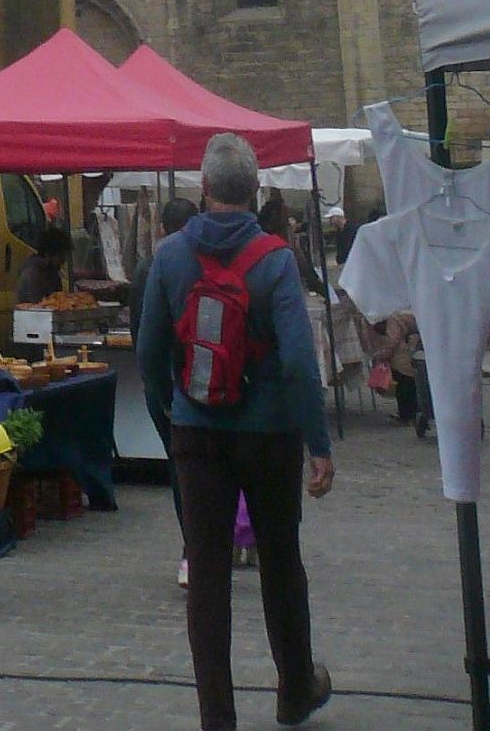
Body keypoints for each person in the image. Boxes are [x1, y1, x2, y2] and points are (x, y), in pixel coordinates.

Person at [139, 134, 334, 731]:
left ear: (203, 189)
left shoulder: (169, 256)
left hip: (197, 431)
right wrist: (318, 445)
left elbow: (150, 352)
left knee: (207, 571)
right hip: (270, 433)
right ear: (255, 191)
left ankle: (216, 715)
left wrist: (172, 416)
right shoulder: (276, 259)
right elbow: (301, 363)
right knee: (280, 561)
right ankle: (295, 689)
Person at [135, 196, 197, 587]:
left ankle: (193, 550)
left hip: (170, 387)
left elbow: (143, 338)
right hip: (207, 380)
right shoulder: (209, 260)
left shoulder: (149, 267)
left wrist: (160, 395)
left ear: (161, 228)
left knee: (183, 472)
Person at [15, 224, 69, 304]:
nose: (63, 260)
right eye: (60, 256)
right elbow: (40, 305)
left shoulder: (52, 271)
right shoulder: (33, 274)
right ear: (48, 255)